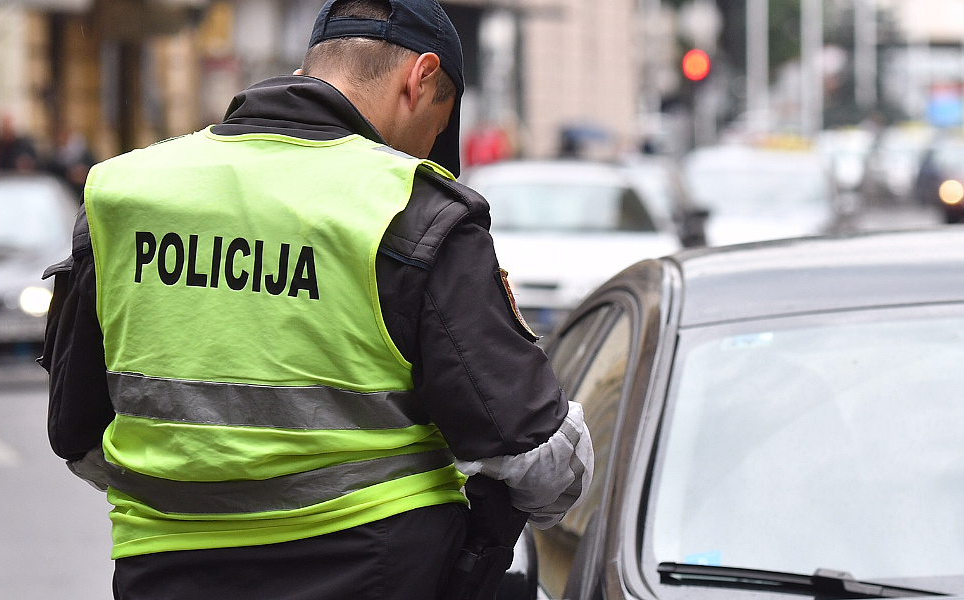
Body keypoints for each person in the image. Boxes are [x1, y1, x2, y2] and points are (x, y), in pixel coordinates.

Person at [39, 1, 593, 599]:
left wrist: (201, 496)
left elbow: (78, 433)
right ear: (422, 78)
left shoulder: (126, 192)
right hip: (376, 572)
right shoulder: (411, 212)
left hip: (164, 574)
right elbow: (537, 457)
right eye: (441, 121)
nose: (431, 146)